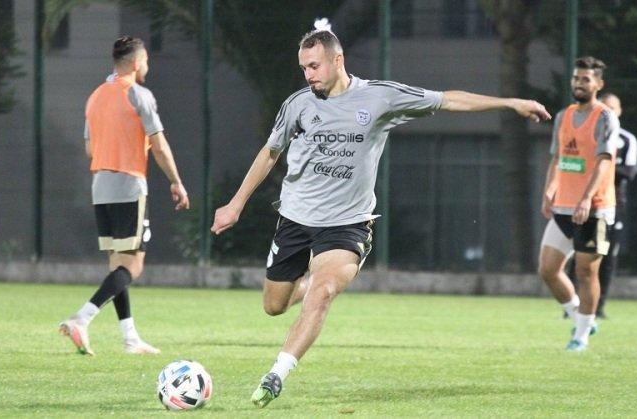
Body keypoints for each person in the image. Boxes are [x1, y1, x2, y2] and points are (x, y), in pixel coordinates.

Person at [210, 28, 550, 407]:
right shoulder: (298, 104)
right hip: (295, 220)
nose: (308, 75)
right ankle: (308, 284)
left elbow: (448, 99)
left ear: (338, 60)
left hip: (347, 224)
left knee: (323, 293)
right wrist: (236, 204)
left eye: (314, 66)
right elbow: (270, 152)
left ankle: (277, 373)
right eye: (304, 68)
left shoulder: (379, 97)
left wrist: (510, 103)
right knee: (274, 305)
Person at [59, 36, 190, 355]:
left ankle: (130, 338)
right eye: (145, 60)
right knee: (133, 267)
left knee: (118, 265)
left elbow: (90, 148)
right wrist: (176, 181)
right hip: (129, 185)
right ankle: (81, 318)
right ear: (134, 63)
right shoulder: (139, 95)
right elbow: (159, 145)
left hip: (101, 187)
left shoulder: (95, 96)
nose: (147, 66)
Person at [538, 57, 620, 352]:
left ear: (598, 84)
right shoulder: (564, 115)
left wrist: (586, 199)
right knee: (548, 269)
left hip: (594, 209)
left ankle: (581, 335)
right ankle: (580, 317)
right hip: (563, 207)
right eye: (576, 78)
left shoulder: (605, 117)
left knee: (586, 273)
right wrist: (549, 191)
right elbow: (558, 158)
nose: (579, 84)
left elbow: (603, 162)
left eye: (586, 79)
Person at [566, 93, 637, 318]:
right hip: (580, 203)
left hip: (611, 205)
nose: (608, 112)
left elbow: (628, 172)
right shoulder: (585, 134)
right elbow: (571, 163)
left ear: (620, 111)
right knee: (577, 255)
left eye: (613, 108)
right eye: (604, 108)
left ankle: (598, 307)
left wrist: (601, 168)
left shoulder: (627, 139)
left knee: (605, 257)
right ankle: (573, 305)